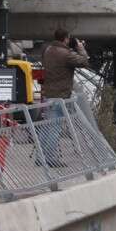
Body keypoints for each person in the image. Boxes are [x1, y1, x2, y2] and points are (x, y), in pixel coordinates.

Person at [39, 29, 89, 166]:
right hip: (60, 96)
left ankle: (40, 158)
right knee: (54, 129)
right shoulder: (66, 55)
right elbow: (84, 62)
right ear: (66, 39)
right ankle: (51, 159)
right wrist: (81, 48)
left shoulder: (48, 50)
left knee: (46, 128)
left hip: (48, 94)